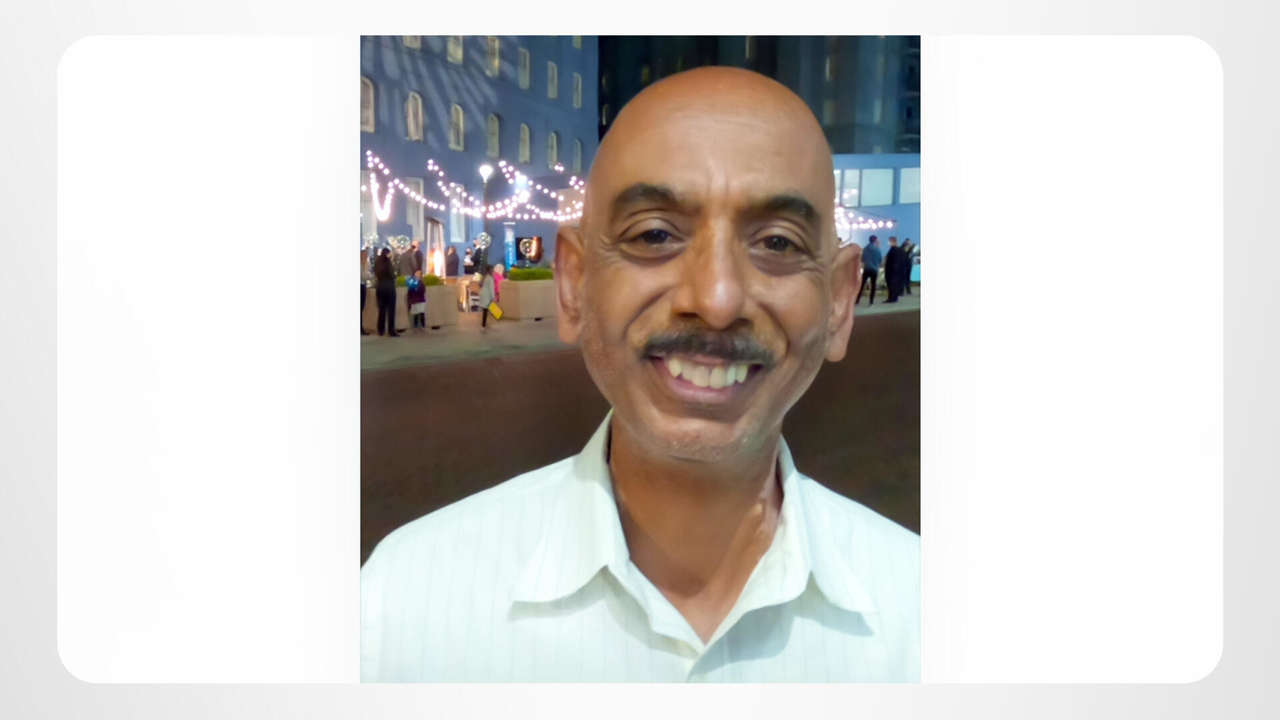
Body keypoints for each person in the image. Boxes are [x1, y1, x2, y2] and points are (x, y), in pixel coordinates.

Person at [362, 66, 918, 682]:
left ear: (839, 303)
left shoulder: (922, 614)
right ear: (573, 285)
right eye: (654, 234)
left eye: (778, 243)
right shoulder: (403, 606)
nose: (716, 299)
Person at [373, 248, 399, 337]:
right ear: (387, 254)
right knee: (391, 310)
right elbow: (392, 274)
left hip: (380, 287)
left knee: (381, 310)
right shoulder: (388, 262)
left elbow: (376, 273)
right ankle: (391, 330)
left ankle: (381, 330)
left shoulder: (377, 262)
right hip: (389, 287)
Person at [856, 235, 882, 305]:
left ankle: (857, 300)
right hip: (874, 269)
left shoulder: (865, 249)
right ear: (875, 240)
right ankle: (871, 301)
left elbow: (862, 259)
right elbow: (880, 259)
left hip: (866, 268)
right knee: (873, 285)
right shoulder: (877, 249)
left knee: (862, 285)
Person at [882, 236, 906, 303]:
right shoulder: (900, 250)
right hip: (897, 271)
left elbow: (895, 261)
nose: (888, 243)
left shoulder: (894, 250)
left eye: (889, 241)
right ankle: (894, 298)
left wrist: (893, 270)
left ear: (892, 241)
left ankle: (892, 298)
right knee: (894, 285)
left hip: (892, 272)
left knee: (892, 285)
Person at [477, 265, 496, 331]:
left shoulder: (484, 277)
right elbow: (491, 289)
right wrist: (493, 298)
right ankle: (483, 326)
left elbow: (480, 284)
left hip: (483, 294)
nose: (493, 271)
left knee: (485, 310)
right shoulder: (490, 278)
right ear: (490, 270)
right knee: (486, 311)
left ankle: (484, 325)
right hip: (487, 295)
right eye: (492, 270)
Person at [360, 248, 371, 335]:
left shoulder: (366, 264)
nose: (366, 257)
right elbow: (364, 276)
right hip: (360, 285)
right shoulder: (361, 265)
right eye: (364, 255)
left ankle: (361, 328)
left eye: (366, 255)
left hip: (363, 285)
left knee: (361, 308)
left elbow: (367, 275)